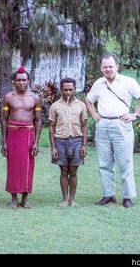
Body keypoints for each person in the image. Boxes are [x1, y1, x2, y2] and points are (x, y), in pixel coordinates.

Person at [85, 53, 140, 208]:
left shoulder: (128, 82)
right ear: (101, 68)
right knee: (104, 163)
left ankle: (127, 197)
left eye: (110, 66)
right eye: (105, 67)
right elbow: (88, 100)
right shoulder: (99, 83)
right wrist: (94, 114)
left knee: (125, 162)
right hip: (103, 125)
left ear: (117, 67)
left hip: (121, 124)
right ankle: (108, 195)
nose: (108, 69)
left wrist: (135, 114)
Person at [1, 66, 42, 209]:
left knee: (28, 166)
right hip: (13, 134)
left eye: (24, 80)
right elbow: (4, 119)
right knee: (13, 166)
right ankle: (13, 198)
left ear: (28, 80)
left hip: (28, 135)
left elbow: (38, 120)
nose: (21, 83)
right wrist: (4, 141)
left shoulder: (35, 98)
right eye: (18, 80)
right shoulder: (8, 97)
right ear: (14, 81)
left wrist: (36, 142)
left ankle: (25, 198)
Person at [49, 78, 88, 207]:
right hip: (60, 140)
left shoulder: (81, 105)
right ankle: (65, 199)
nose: (68, 92)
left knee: (73, 171)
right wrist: (53, 147)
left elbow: (84, 126)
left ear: (75, 89)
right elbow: (52, 127)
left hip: (77, 140)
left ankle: (72, 199)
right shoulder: (55, 106)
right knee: (64, 170)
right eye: (65, 90)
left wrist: (83, 145)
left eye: (71, 89)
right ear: (61, 90)